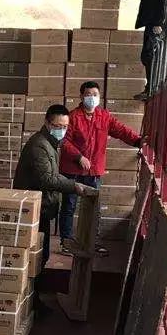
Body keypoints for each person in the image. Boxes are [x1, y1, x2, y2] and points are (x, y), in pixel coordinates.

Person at [13, 105, 99, 292]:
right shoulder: (39, 145)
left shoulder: (50, 143)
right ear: (47, 123)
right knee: (37, 257)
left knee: (41, 255)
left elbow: (52, 174)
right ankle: (34, 298)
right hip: (34, 210)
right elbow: (47, 179)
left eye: (65, 127)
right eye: (57, 126)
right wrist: (74, 186)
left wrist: (72, 184)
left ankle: (36, 296)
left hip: (41, 207)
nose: (61, 130)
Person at [59, 80, 143, 255]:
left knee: (94, 208)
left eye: (95, 94)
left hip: (93, 171)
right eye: (88, 94)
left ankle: (92, 242)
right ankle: (66, 242)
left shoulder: (104, 116)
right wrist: (79, 157)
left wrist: (138, 141)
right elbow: (64, 141)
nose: (92, 98)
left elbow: (121, 130)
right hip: (72, 170)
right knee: (69, 206)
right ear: (81, 96)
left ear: (100, 97)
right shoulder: (73, 117)